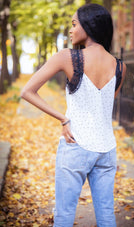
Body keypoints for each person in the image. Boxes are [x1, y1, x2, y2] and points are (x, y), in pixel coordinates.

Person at [21, 3, 126, 227]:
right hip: (107, 149)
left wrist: (63, 118)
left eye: (74, 24)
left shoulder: (67, 57)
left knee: (64, 215)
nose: (71, 29)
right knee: (107, 214)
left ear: (89, 26)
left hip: (75, 144)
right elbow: (104, 107)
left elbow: (27, 91)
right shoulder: (120, 66)